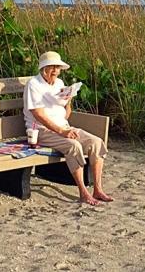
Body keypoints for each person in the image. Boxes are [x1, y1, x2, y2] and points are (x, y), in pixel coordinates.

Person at [23, 51, 113, 206]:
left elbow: (66, 114)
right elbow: (38, 114)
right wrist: (61, 131)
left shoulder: (59, 83)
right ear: (44, 68)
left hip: (64, 126)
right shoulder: (34, 85)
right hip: (42, 131)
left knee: (96, 142)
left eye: (58, 68)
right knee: (74, 146)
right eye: (52, 68)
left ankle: (97, 189)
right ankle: (83, 193)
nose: (56, 71)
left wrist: (68, 100)